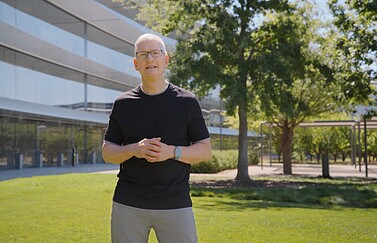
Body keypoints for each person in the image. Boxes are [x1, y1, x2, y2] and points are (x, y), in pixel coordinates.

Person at [102, 33, 212, 243]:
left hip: (176, 203)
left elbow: (205, 150)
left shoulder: (187, 102)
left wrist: (172, 152)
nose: (150, 59)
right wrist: (135, 149)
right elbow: (108, 152)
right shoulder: (122, 103)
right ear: (136, 64)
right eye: (143, 55)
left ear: (166, 60)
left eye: (155, 53)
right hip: (129, 204)